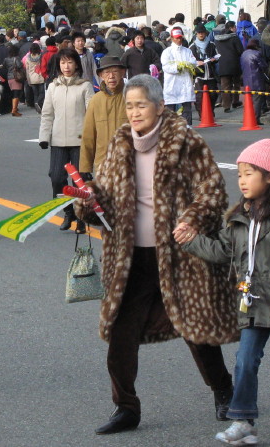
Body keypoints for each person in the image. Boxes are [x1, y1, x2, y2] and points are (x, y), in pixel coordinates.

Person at [74, 74, 236, 435]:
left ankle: (223, 389)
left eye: (141, 105)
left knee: (197, 329)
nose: (134, 112)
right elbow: (103, 192)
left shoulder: (186, 141)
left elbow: (212, 191)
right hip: (130, 257)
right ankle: (126, 407)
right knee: (121, 334)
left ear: (160, 106)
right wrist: (88, 202)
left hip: (179, 254)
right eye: (129, 106)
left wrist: (192, 220)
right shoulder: (119, 145)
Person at [177, 138, 270, 446]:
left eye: (249, 173)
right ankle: (243, 420)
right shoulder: (240, 218)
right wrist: (190, 240)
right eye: (240, 173)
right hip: (253, 301)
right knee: (245, 360)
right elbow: (222, 250)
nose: (242, 180)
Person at [38, 48, 94, 233]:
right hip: (58, 141)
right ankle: (68, 212)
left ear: (76, 64)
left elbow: (91, 114)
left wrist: (91, 139)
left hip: (79, 141)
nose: (66, 66)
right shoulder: (53, 87)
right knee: (56, 178)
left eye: (70, 62)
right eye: (63, 62)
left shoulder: (85, 86)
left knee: (80, 181)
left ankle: (81, 218)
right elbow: (47, 114)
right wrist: (44, 137)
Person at [78, 55, 127, 178]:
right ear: (101, 76)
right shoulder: (96, 100)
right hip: (103, 164)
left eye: (115, 71)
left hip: (129, 163)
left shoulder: (131, 96)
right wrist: (85, 167)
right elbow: (88, 135)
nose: (111, 76)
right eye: (107, 72)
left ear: (122, 73)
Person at [160, 26, 198, 125]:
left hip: (185, 83)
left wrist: (188, 64)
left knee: (187, 108)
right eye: (176, 38)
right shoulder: (167, 52)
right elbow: (166, 67)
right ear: (172, 38)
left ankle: (187, 128)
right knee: (170, 110)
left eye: (180, 37)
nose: (178, 40)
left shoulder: (187, 51)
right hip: (172, 84)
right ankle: (170, 130)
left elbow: (193, 61)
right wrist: (179, 67)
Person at [213, 21, 244, 113]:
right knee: (236, 84)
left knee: (225, 86)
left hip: (222, 64)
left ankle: (226, 105)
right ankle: (235, 101)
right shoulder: (234, 38)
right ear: (232, 28)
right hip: (234, 63)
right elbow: (240, 50)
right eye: (235, 27)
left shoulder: (217, 39)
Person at [240, 38, 269, 125]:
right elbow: (263, 66)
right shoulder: (257, 54)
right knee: (257, 100)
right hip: (257, 79)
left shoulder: (243, 54)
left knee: (248, 100)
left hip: (246, 79)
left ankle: (247, 117)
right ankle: (255, 119)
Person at [4, 43, 26, 117]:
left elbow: (4, 66)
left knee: (13, 93)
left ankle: (13, 108)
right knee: (17, 93)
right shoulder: (16, 58)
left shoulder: (6, 59)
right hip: (16, 77)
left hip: (9, 77)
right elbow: (19, 65)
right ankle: (14, 110)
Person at [24, 43, 46, 112]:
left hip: (32, 78)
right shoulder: (41, 57)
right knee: (41, 93)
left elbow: (27, 70)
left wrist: (28, 79)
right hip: (40, 77)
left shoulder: (28, 58)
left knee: (35, 94)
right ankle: (40, 104)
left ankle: (37, 106)